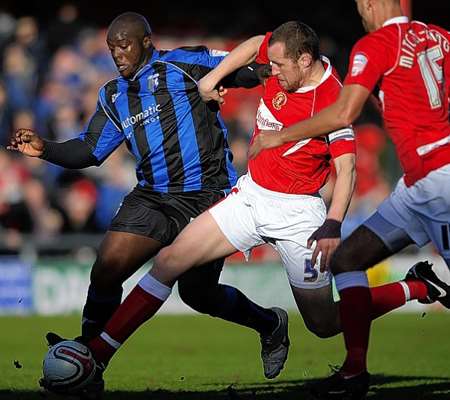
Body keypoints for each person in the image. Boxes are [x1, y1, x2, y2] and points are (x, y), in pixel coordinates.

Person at [76, 20, 443, 395]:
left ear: (304, 60)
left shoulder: (335, 99)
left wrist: (333, 224)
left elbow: (346, 169)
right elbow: (254, 44)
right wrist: (211, 80)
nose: (270, 72)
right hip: (250, 197)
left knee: (325, 322)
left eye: (279, 66)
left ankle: (415, 287)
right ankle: (96, 358)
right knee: (169, 262)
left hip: (299, 214)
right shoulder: (283, 60)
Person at [9, 11, 289, 393]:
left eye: (124, 45)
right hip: (153, 197)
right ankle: (90, 360)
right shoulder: (112, 94)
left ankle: (270, 325)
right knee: (107, 267)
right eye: (111, 48)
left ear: (145, 42)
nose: (117, 54)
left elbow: (239, 71)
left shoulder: (184, 63)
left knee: (197, 293)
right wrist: (46, 149)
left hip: (206, 195)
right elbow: (91, 150)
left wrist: (252, 75)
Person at [248, 1, 450, 399]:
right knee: (347, 260)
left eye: (361, 6)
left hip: (439, 183)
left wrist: (281, 136)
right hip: (416, 186)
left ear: (374, 4)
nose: (360, 13)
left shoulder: (375, 44)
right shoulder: (440, 37)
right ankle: (354, 373)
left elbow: (343, 114)